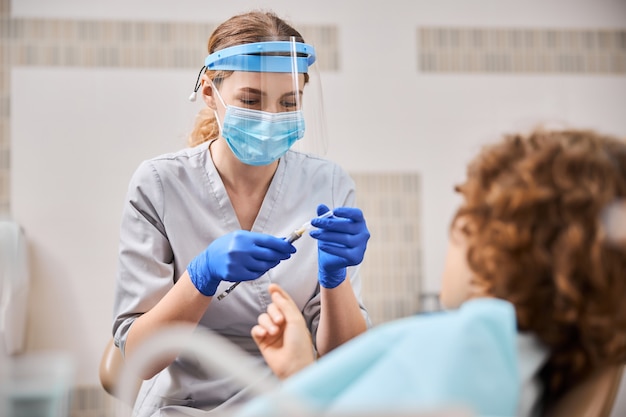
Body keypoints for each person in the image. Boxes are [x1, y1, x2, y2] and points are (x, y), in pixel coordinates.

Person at [249, 128, 626, 416]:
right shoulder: (558, 357)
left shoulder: (465, 341)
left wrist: (301, 380)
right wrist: (301, 373)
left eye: (466, 213)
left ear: (480, 241)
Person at [111, 10, 371, 417]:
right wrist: (201, 277)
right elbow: (141, 360)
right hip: (185, 406)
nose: (270, 118)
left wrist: (335, 281)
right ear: (210, 93)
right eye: (251, 100)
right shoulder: (160, 184)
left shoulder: (329, 186)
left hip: (292, 401)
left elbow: (345, 366)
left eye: (289, 103)